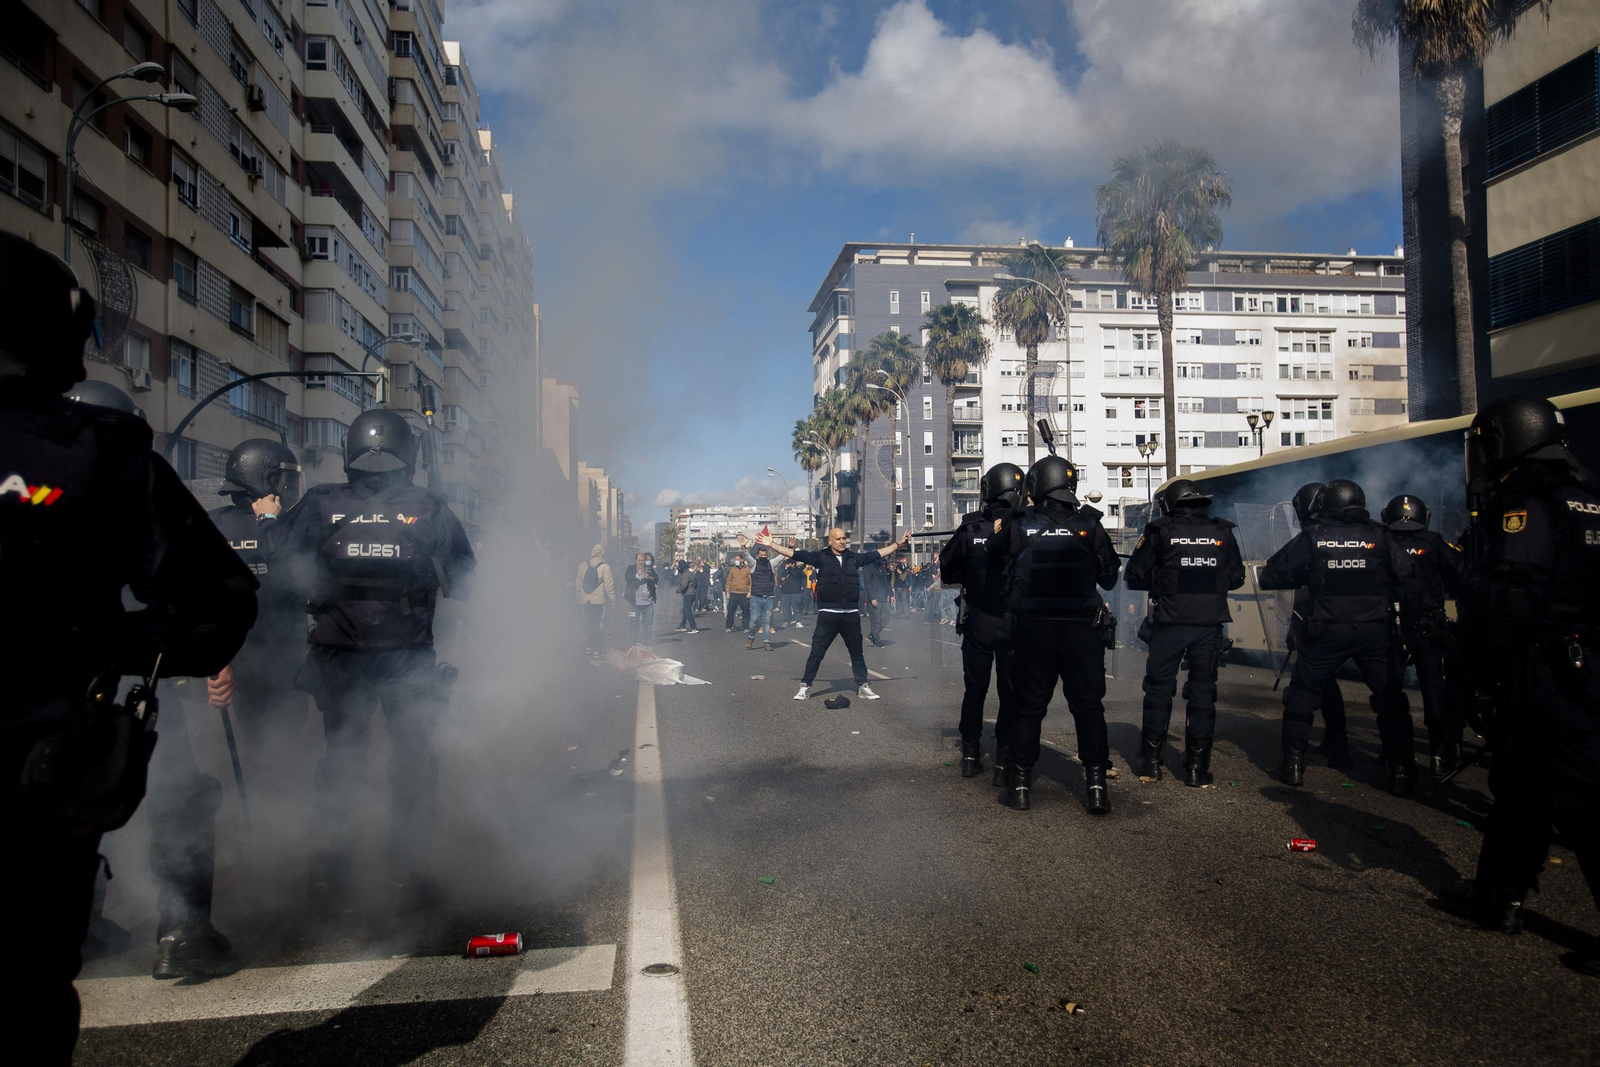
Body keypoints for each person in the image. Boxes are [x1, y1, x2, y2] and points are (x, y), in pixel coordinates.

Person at [0, 233, 257, 1062]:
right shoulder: (97, 451)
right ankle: (180, 928)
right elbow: (216, 605)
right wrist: (104, 646)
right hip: (41, 766)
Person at [263, 407, 475, 914]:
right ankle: (407, 878)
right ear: (408, 455)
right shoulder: (430, 508)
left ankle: (328, 878)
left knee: (341, 760)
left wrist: (271, 519)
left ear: (350, 452)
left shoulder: (320, 503)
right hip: (406, 657)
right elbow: (465, 580)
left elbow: (279, 560)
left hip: (339, 655)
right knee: (414, 764)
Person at [135, 438, 305, 981]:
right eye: (285, 477)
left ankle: (261, 845)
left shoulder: (207, 525)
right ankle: (281, 851)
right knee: (279, 761)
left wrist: (214, 663)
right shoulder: (284, 525)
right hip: (275, 663)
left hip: (221, 664)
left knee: (229, 761)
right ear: (270, 479)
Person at [1452, 397, 1599, 970]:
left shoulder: (1526, 499)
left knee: (1582, 801)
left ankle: (1498, 897)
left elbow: (1514, 598)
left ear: (1506, 438)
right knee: (1521, 788)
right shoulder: (1588, 494)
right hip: (1582, 664)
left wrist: (1481, 677)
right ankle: (1496, 899)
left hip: (1545, 670)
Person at [1260, 479, 1415, 794]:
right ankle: (1401, 771)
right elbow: (1408, 575)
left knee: (1303, 695)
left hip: (1327, 629)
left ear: (1325, 505)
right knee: (1390, 700)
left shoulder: (1314, 537)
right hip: (1374, 630)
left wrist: (1312, 573)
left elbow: (1272, 575)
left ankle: (1293, 766)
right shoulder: (1381, 535)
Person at [988, 457, 1121, 813]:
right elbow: (1110, 578)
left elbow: (993, 559)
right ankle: (1097, 788)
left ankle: (1020, 787)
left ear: (1036, 486)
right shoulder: (1090, 524)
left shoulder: (1019, 523)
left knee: (1028, 709)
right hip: (1081, 632)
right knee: (1089, 709)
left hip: (1034, 631)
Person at [1123, 479, 1246, 787]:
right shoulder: (1222, 532)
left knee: (1158, 690)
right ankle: (1196, 767)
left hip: (1170, 623)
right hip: (1209, 625)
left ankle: (1151, 762)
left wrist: (1163, 581)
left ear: (1170, 504)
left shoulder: (1160, 530)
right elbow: (1237, 577)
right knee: (1203, 693)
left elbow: (1134, 575)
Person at [939, 462, 1024, 781]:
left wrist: (973, 577)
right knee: (1010, 693)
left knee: (975, 690)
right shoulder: (1027, 525)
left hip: (979, 619)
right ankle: (1003, 759)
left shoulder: (971, 526)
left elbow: (948, 567)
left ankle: (970, 755)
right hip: (1014, 621)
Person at [755, 527, 909, 700]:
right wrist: (772, 544)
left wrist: (898, 543)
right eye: (838, 539)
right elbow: (795, 554)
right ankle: (805, 686)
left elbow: (878, 553)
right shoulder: (821, 557)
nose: (842, 541)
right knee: (817, 652)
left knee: (857, 653)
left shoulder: (853, 558)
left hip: (850, 614)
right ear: (830, 541)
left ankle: (863, 686)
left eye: (844, 538)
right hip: (828, 614)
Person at [1381, 494, 1465, 778]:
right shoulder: (1433, 542)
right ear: (1424, 516)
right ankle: (1439, 752)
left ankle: (1393, 752)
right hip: (1427, 627)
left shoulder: (1381, 540)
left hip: (1392, 626)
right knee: (1433, 688)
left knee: (1390, 690)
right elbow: (1460, 572)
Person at [1286, 483, 1353, 767]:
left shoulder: (1313, 536)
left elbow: (1302, 590)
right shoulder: (1356, 531)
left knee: (1309, 688)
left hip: (1322, 621)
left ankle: (1294, 761)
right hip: (1365, 620)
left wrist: (1295, 627)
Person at [576, 544, 616, 654]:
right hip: (598, 600)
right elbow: (609, 585)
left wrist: (579, 598)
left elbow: (578, 583)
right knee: (598, 623)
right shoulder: (605, 567)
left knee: (589, 622)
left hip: (585, 599)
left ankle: (589, 646)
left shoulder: (582, 565)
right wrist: (613, 600)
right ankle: (597, 649)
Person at [746, 544, 779, 649]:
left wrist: (790, 547)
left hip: (769, 597)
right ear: (758, 555)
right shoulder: (753, 564)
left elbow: (781, 557)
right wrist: (743, 547)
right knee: (754, 620)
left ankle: (766, 641)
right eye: (761, 555)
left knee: (767, 621)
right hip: (756, 597)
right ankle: (751, 637)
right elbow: (747, 556)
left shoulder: (771, 563)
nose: (763, 557)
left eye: (765, 555)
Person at [623, 552, 658, 647]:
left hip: (647, 602)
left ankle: (647, 640)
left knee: (648, 623)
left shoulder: (649, 568)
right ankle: (633, 642)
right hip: (634, 602)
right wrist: (637, 575)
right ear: (635, 560)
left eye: (642, 560)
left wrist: (649, 577)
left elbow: (656, 578)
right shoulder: (631, 568)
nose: (641, 562)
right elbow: (627, 577)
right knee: (634, 622)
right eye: (639, 560)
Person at [862, 544, 892, 647]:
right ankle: (876, 640)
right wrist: (872, 598)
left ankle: (872, 635)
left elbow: (886, 582)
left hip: (883, 597)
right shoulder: (868, 568)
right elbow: (868, 584)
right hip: (874, 598)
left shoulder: (882, 567)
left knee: (886, 617)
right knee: (876, 620)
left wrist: (891, 595)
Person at [725, 552, 752, 632]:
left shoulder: (747, 569)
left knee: (746, 611)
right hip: (734, 593)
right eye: (735, 560)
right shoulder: (732, 570)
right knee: (730, 610)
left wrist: (750, 591)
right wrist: (727, 592)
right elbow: (728, 581)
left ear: (742, 560)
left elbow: (751, 581)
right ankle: (729, 626)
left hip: (744, 593)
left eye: (737, 559)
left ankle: (746, 627)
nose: (736, 561)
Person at [779, 551, 807, 628]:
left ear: (793, 564)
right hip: (785, 592)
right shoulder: (785, 571)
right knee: (786, 608)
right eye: (787, 564)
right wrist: (782, 578)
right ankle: (786, 621)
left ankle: (798, 621)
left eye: (790, 564)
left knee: (796, 608)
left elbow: (795, 575)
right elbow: (780, 578)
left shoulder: (798, 570)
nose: (788, 565)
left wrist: (789, 569)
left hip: (795, 592)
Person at [676, 562, 701, 633]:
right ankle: (682, 625)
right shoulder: (691, 573)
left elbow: (684, 585)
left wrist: (678, 590)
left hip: (688, 594)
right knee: (685, 610)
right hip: (692, 593)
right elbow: (696, 584)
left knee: (687, 611)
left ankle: (694, 627)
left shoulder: (685, 574)